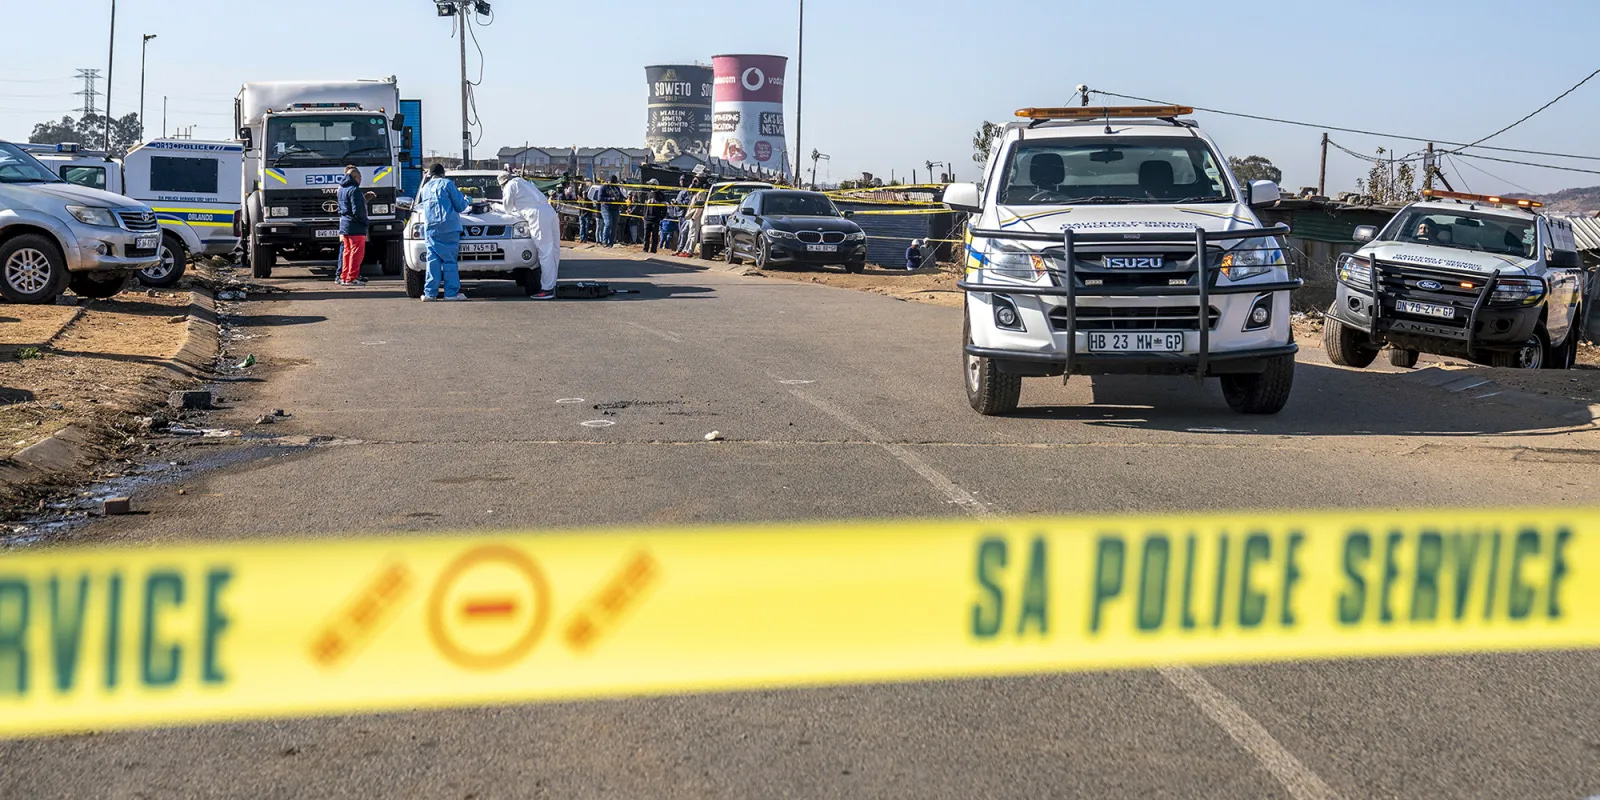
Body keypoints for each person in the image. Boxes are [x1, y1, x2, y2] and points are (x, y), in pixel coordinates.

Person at [498, 171, 562, 300]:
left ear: (502, 184)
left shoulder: (509, 186)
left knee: (544, 252)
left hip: (537, 216)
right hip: (549, 212)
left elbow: (507, 208)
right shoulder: (523, 182)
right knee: (554, 251)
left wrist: (494, 205)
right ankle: (551, 285)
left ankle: (546, 289)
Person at [414, 163, 470, 301]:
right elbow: (460, 206)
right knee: (449, 261)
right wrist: (468, 200)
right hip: (449, 227)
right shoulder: (447, 184)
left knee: (432, 260)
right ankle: (451, 294)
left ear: (430, 175)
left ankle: (429, 294)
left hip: (431, 229)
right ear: (442, 173)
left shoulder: (425, 188)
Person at [335, 166, 375, 287]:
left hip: (345, 224)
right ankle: (352, 278)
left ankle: (344, 276)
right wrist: (365, 222)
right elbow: (358, 210)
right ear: (355, 177)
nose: (361, 180)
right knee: (356, 253)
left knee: (347, 252)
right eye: (360, 177)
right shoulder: (354, 190)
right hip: (355, 226)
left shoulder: (341, 189)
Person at [599, 175, 624, 247]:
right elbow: (600, 198)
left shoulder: (616, 188)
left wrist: (625, 200)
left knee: (614, 225)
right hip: (606, 208)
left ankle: (611, 242)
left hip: (616, 209)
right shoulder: (603, 187)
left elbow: (621, 196)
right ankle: (604, 241)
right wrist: (610, 199)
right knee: (608, 223)